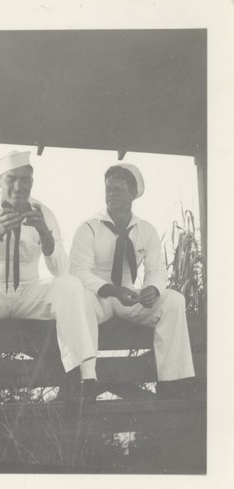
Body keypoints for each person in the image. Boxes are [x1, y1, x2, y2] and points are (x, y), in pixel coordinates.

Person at [0, 150, 96, 414]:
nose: (18, 186)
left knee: (70, 285)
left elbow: (61, 269)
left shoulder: (43, 212)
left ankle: (77, 378)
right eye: (11, 179)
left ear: (32, 182)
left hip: (28, 293)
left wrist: (45, 234)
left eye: (25, 180)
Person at [70, 163, 195, 400]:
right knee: (81, 299)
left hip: (128, 296)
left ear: (132, 194)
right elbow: (79, 273)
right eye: (108, 189)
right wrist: (111, 290)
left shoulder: (146, 230)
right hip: (99, 297)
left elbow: (157, 270)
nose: (112, 194)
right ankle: (87, 379)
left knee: (173, 300)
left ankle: (173, 381)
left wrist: (152, 289)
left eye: (118, 189)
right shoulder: (87, 228)